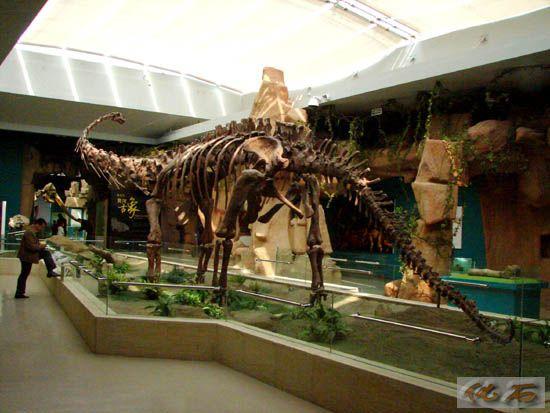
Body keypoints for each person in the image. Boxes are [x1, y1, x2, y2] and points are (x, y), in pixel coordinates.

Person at [15, 218, 59, 299]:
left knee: (46, 253)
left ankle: (50, 270)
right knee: (24, 274)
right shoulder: (29, 232)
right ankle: (19, 292)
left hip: (28, 255)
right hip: (27, 256)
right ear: (37, 224)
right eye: (42, 227)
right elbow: (32, 246)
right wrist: (41, 246)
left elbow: (34, 244)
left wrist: (40, 245)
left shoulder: (32, 232)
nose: (42, 229)